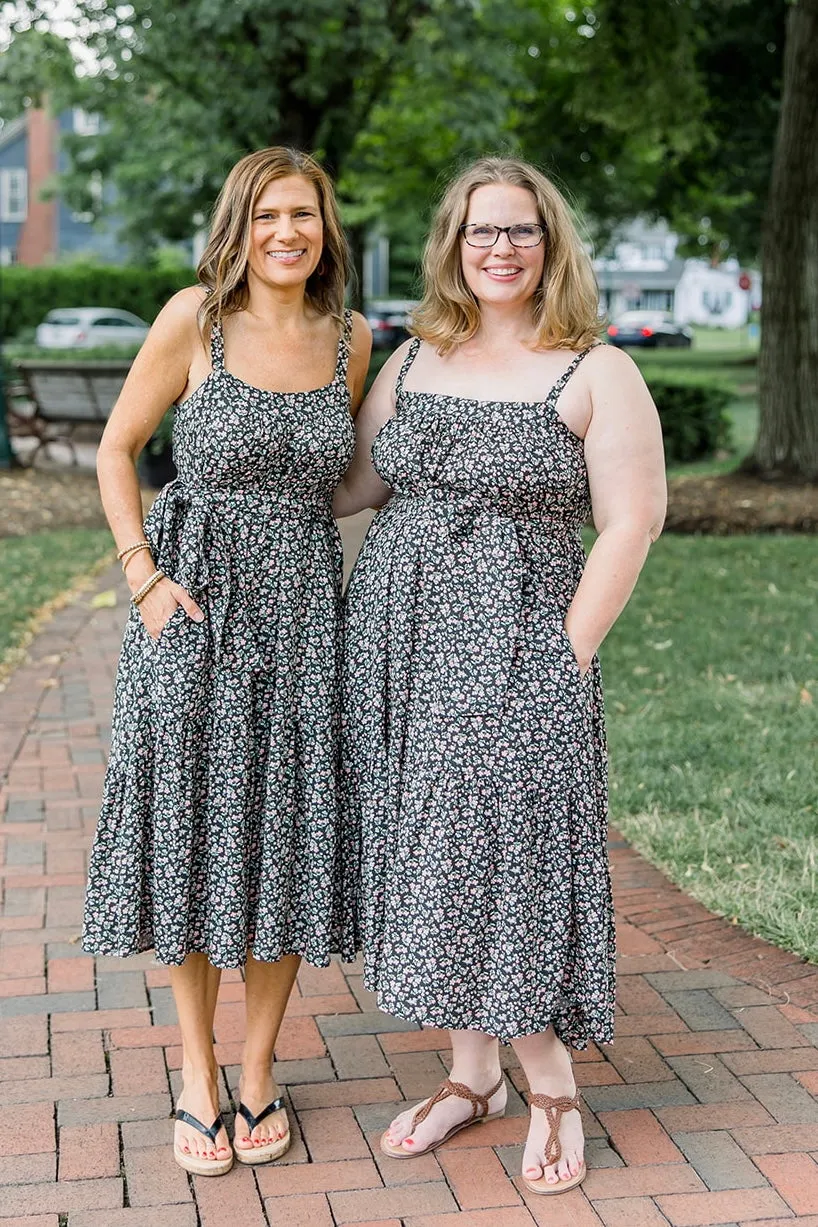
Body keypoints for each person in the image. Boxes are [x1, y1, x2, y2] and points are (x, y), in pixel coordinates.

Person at [335, 156, 666, 1195]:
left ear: (550, 242)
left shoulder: (596, 368)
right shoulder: (412, 358)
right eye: (481, 232)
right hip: (399, 638)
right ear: (453, 246)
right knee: (428, 846)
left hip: (521, 639)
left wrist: (565, 653)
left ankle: (550, 1078)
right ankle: (471, 1074)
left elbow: (631, 522)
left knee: (504, 844)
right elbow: (350, 483)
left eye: (520, 231)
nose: (500, 249)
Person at [83, 147, 371, 1177]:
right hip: (190, 610)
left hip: (301, 621)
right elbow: (118, 448)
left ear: (325, 229)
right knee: (192, 838)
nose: (286, 233)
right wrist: (143, 578)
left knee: (287, 838)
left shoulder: (351, 339)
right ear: (238, 226)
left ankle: (258, 1074)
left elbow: (355, 479)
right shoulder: (192, 320)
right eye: (266, 215)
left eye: (303, 215)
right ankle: (196, 1074)